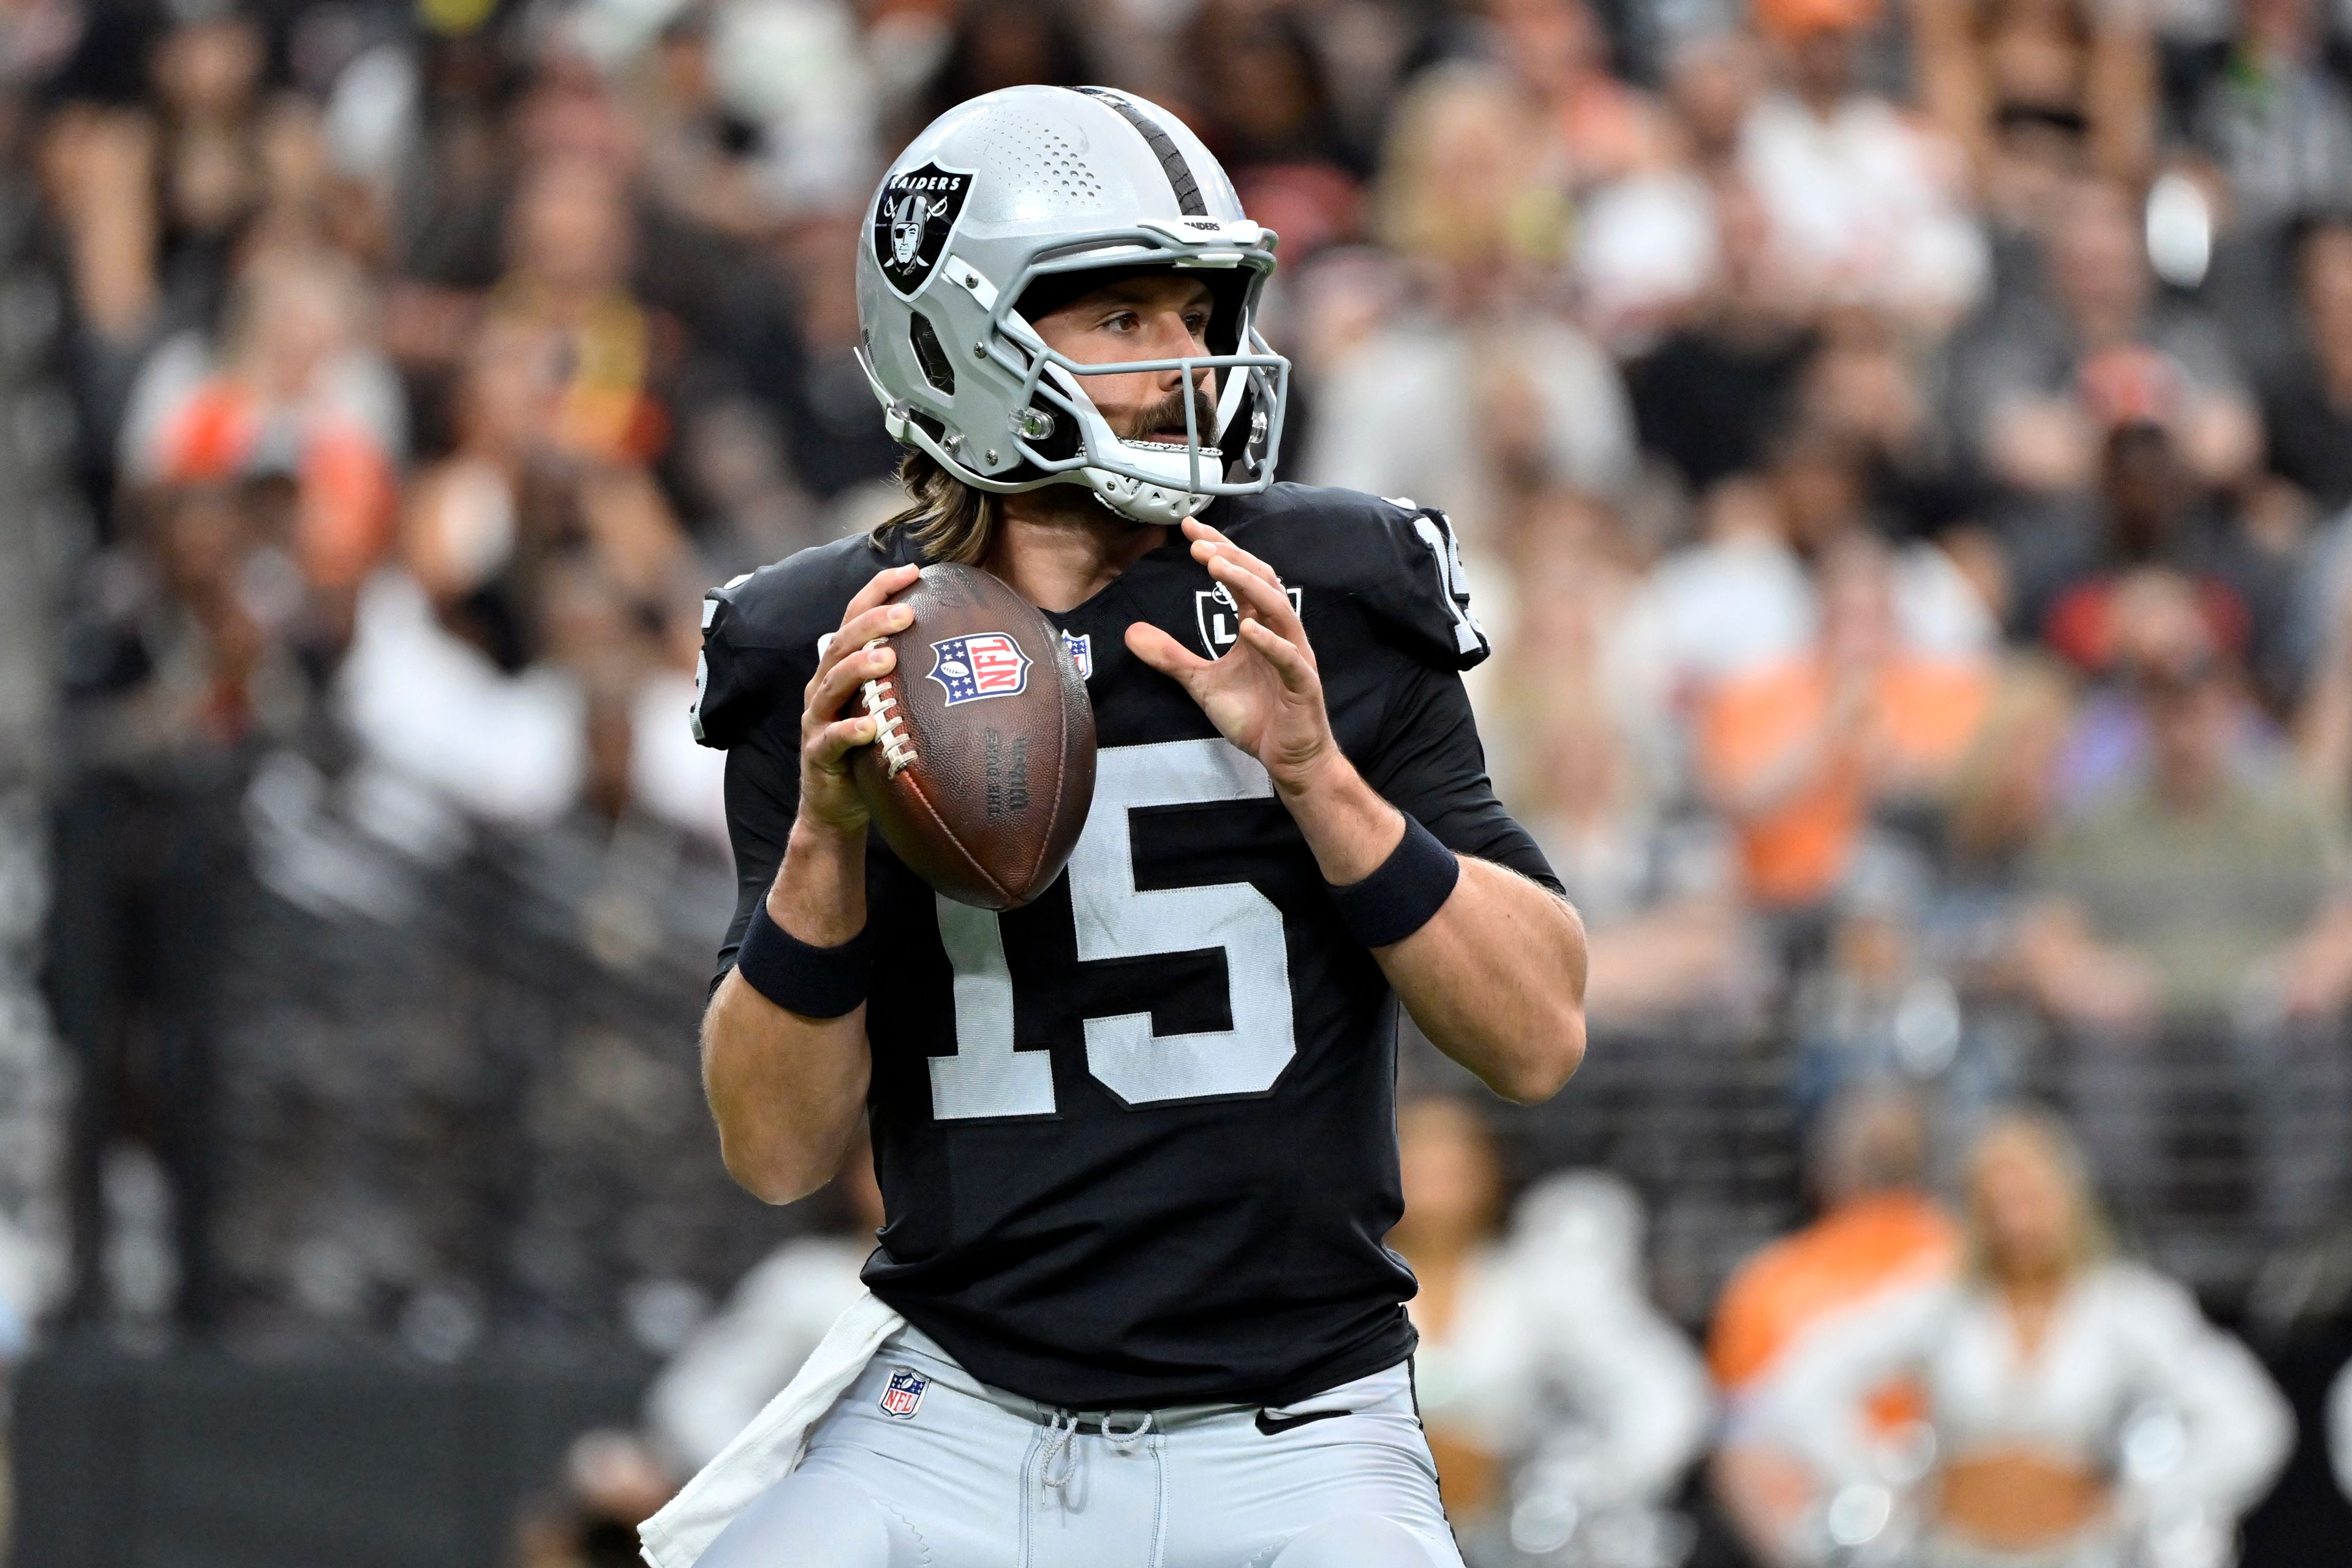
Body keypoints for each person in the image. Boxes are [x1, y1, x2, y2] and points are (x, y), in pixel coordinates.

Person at [646, 85, 1589, 1568]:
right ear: (957, 337)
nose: (1184, 362)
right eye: (1123, 317)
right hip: (948, 1405)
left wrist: (1319, 776)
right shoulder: (829, 645)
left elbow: (1536, 1031)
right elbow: (773, 1148)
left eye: (1196, 311)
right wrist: (827, 845)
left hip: (1300, 1422)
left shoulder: (1327, 589)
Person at [1758, 1109, 2291, 1567]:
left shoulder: (2123, 1304)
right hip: (1952, 1552)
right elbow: (1805, 1379)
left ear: (2069, 1200)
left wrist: (2147, 1501)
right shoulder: (1941, 1302)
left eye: (2031, 1199)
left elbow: (2250, 1419)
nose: (2018, 1223)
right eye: (2000, 1203)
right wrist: (1877, 1481)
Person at [1388, 1095, 1709, 1557]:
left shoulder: (1539, 1281)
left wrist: (1564, 1490)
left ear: (1489, 1169)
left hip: (1525, 1540)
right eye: (1416, 1155)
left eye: (1454, 1159)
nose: (1436, 1175)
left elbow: (1667, 1400)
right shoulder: (1342, 1293)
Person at [1708, 1085, 1961, 1567]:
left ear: (1824, 1174)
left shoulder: (1769, 1279)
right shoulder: (1972, 1264)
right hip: (1873, 1510)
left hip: (1913, 1510)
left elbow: (1739, 1449)